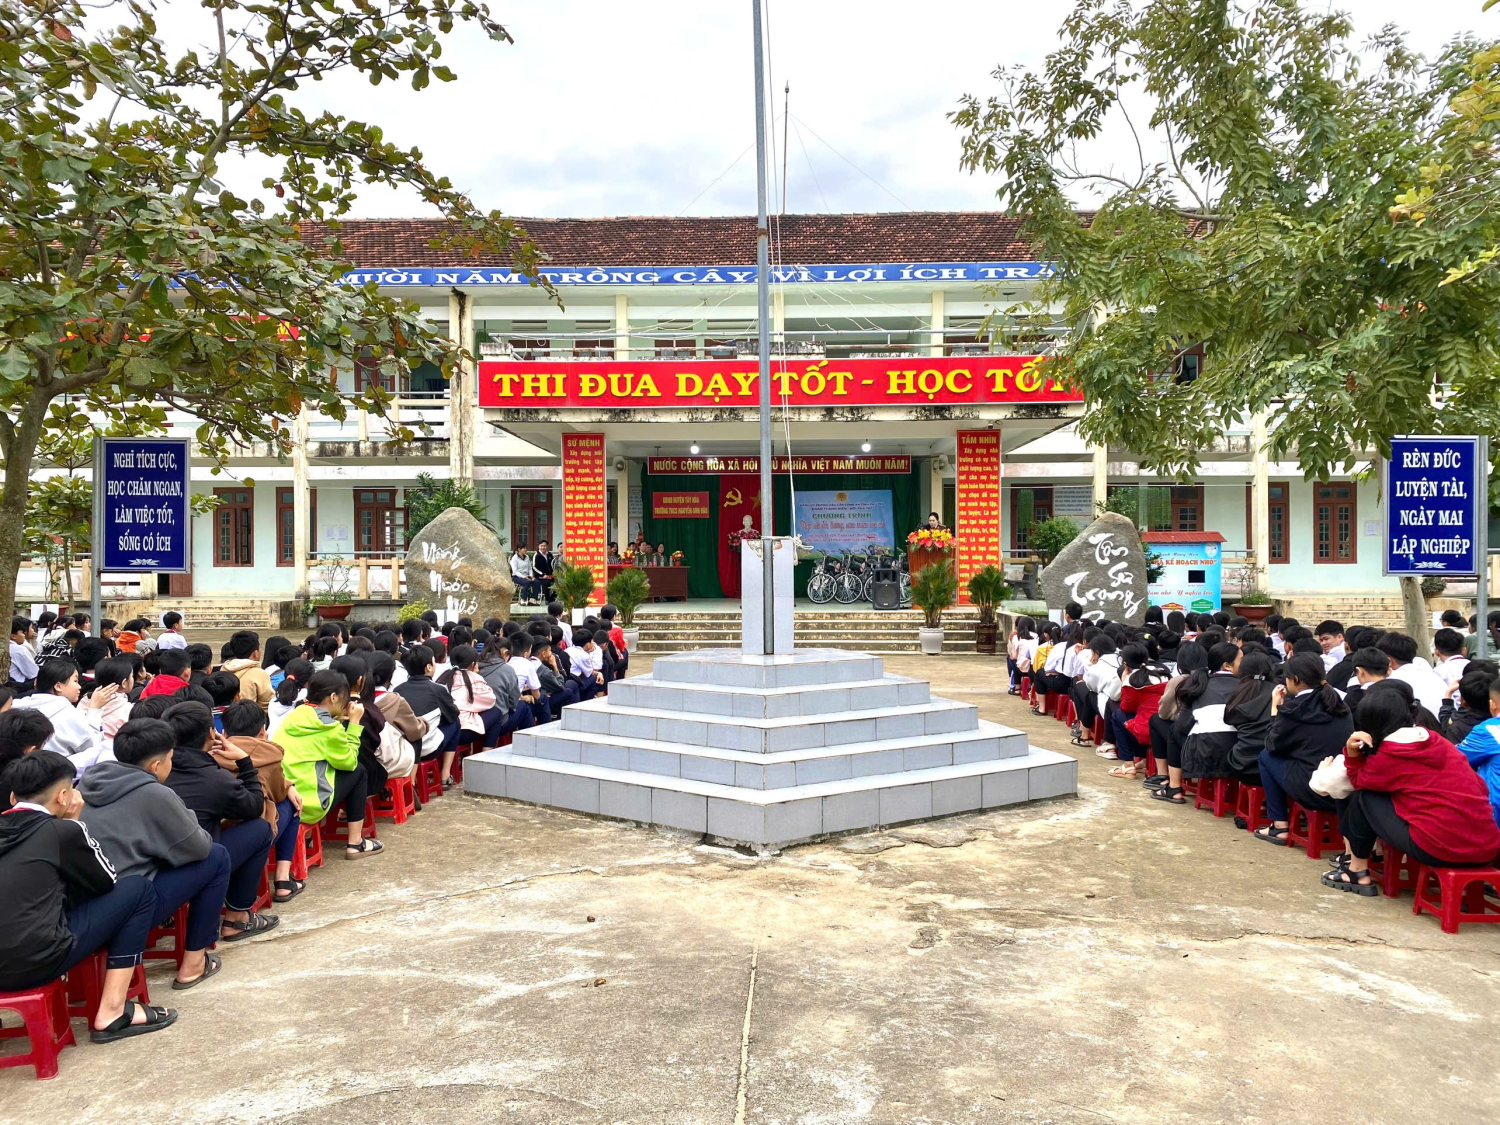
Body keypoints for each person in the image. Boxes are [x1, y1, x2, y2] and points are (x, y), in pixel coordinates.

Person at [0, 751, 177, 1041]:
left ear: (12, 797)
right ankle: (114, 1009)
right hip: (37, 962)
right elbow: (105, 882)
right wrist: (74, 823)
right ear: (64, 796)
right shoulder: (60, 832)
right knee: (138, 890)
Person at [78, 718, 233, 989]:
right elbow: (199, 846)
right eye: (171, 758)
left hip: (85, 909)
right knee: (217, 857)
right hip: (130, 908)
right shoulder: (154, 793)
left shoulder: (87, 784)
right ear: (156, 765)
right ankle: (194, 963)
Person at [1326, 685, 1500, 894]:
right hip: (1487, 846)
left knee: (1365, 795)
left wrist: (1352, 753)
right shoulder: (1438, 741)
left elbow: (1358, 780)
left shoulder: (1390, 753)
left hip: (1440, 848)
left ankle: (1356, 871)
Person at [159, 701, 279, 941]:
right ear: (211, 734)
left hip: (156, 870)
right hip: (195, 865)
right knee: (260, 828)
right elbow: (254, 807)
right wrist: (244, 761)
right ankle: (237, 917)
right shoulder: (213, 779)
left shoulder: (154, 770)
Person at [274, 669, 382, 859]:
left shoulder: (294, 716)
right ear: (333, 697)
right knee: (359, 771)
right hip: (309, 803)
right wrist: (354, 724)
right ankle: (356, 842)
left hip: (284, 798)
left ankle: (311, 836)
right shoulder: (329, 728)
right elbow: (349, 762)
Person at [1252, 653, 1352, 845]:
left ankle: (1279, 825)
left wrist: (1275, 708)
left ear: (1295, 679)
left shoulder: (1294, 710)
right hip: (1342, 787)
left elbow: (1272, 745)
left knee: (1265, 756)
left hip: (1312, 788)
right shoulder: (1340, 705)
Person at [220, 699, 304, 903]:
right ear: (262, 731)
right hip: (256, 834)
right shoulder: (269, 755)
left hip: (219, 835)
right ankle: (283, 880)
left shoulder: (211, 754)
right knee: (291, 804)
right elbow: (278, 792)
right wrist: (289, 786)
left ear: (224, 732)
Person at [1151, 642, 1240, 804]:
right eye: (1242, 659)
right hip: (1241, 755)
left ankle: (1174, 787)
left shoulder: (1199, 684)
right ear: (1227, 665)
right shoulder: (1247, 685)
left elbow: (1182, 726)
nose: (1245, 662)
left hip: (1204, 756)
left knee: (1173, 730)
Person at [13, 658, 116, 770]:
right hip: (56, 771)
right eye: (75, 681)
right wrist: (95, 709)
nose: (79, 687)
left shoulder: (17, 706)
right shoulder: (66, 712)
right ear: (58, 686)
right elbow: (93, 745)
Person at [1107, 643, 1170, 779]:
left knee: (1118, 716)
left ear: (1125, 663)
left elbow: (1126, 707)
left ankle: (1128, 765)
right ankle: (1144, 760)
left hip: (1147, 730)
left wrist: (1123, 682)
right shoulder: (1162, 674)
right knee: (1138, 717)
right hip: (1165, 726)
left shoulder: (1132, 680)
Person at [394, 645, 462, 769]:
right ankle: (445, 773)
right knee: (455, 723)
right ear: (429, 667)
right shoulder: (437, 689)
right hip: (426, 749)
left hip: (403, 748)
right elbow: (452, 715)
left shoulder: (397, 690)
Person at [221, 630, 274, 707]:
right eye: (259, 649)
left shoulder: (224, 669)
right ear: (255, 653)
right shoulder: (259, 674)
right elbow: (268, 703)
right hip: (249, 713)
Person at [9, 616, 38, 691]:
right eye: (22, 633)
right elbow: (33, 673)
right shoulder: (19, 649)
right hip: (17, 686)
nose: (24, 635)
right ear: (13, 636)